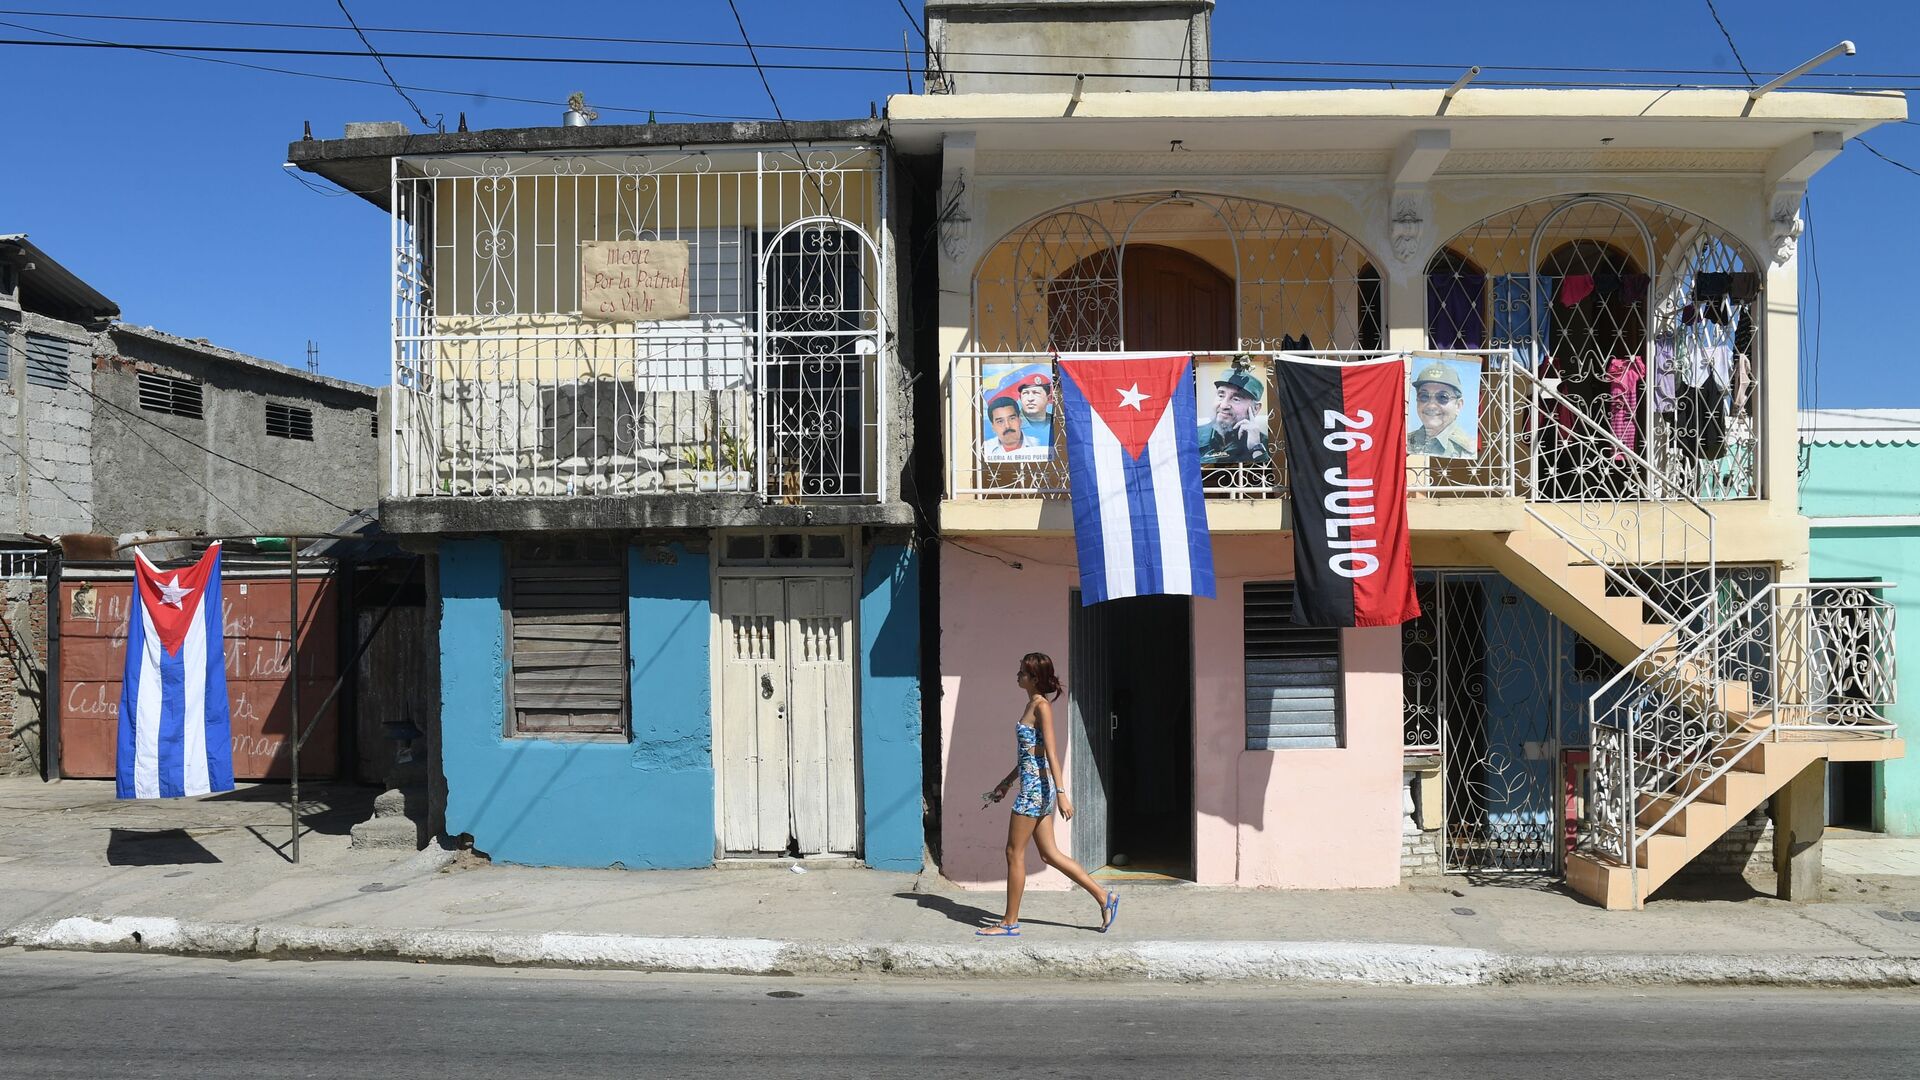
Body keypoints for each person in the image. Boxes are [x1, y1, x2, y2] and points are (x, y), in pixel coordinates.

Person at [977, 652, 1119, 937]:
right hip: (1034, 785)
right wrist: (1006, 782)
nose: (1017, 675)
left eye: (1022, 672)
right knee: (1050, 854)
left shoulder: (1041, 707)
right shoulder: (1031, 704)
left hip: (1035, 790)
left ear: (1034, 678)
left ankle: (1009, 922)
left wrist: (1063, 794)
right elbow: (1032, 754)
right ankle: (1105, 898)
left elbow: (1052, 752)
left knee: (1013, 852)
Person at [1197, 366, 1270, 464]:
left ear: (1256, 409)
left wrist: (1256, 448)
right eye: (1221, 395)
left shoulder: (1265, 444)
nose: (1223, 405)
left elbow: (1267, 476)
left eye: (1236, 399)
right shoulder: (1194, 436)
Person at [1407, 361, 1476, 458]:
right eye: (1424, 396)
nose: (1431, 405)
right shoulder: (1405, 443)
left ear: (1458, 405)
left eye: (1442, 397)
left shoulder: (1469, 451)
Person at [983, 395, 1040, 461]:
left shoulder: (1038, 444)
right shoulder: (985, 449)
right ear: (993, 427)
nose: (1007, 426)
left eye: (1012, 418)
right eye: (1000, 421)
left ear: (1020, 420)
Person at [1009, 371, 1055, 446]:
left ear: (1049, 398)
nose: (1030, 399)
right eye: (1025, 393)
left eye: (1036, 393)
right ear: (1020, 398)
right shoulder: (1010, 424)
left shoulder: (1056, 422)